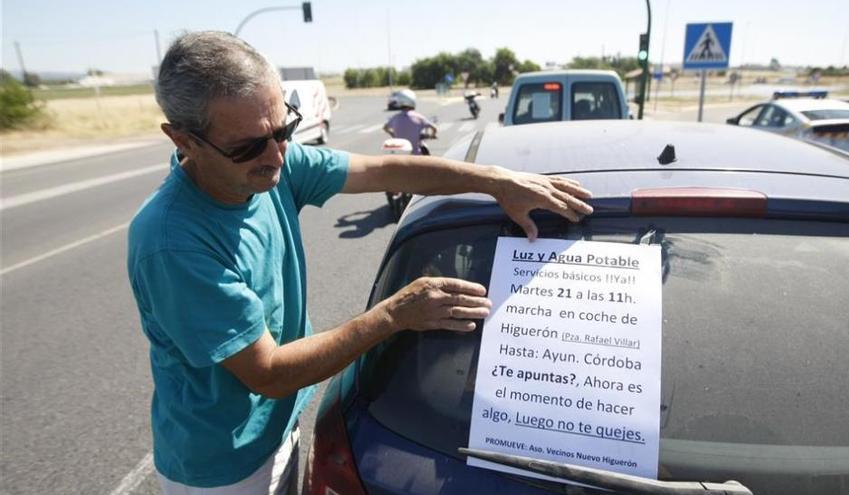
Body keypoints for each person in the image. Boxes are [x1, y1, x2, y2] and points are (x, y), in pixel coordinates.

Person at [127, 31, 592, 495]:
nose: (276, 156)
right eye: (247, 147)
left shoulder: (272, 161)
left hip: (276, 428)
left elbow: (381, 170)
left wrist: (496, 181)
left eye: (283, 129)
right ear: (184, 141)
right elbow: (268, 372)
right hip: (224, 467)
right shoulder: (173, 242)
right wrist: (393, 314)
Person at [382, 89, 437, 155]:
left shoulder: (394, 118)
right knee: (429, 161)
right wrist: (432, 135)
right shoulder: (419, 118)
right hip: (415, 155)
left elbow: (385, 128)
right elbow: (434, 128)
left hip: (399, 156)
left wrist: (393, 134)